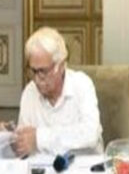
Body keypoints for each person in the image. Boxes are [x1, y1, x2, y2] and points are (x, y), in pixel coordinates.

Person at [0, 27, 102, 157]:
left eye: (43, 71)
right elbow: (25, 151)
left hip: (84, 167)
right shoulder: (30, 92)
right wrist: (12, 139)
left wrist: (39, 138)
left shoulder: (82, 84)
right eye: (33, 71)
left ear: (61, 66)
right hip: (41, 168)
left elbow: (90, 134)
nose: (37, 79)